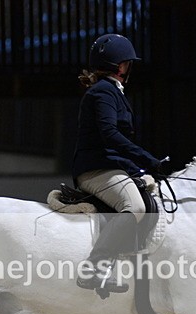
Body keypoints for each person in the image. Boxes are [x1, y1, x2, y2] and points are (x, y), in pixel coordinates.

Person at [71, 33, 164, 294]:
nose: (129, 67)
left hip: (109, 166)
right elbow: (110, 135)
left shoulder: (111, 91)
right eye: (127, 63)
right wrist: (147, 158)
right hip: (95, 169)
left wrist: (140, 169)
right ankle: (94, 268)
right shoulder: (103, 93)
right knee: (134, 206)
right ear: (120, 66)